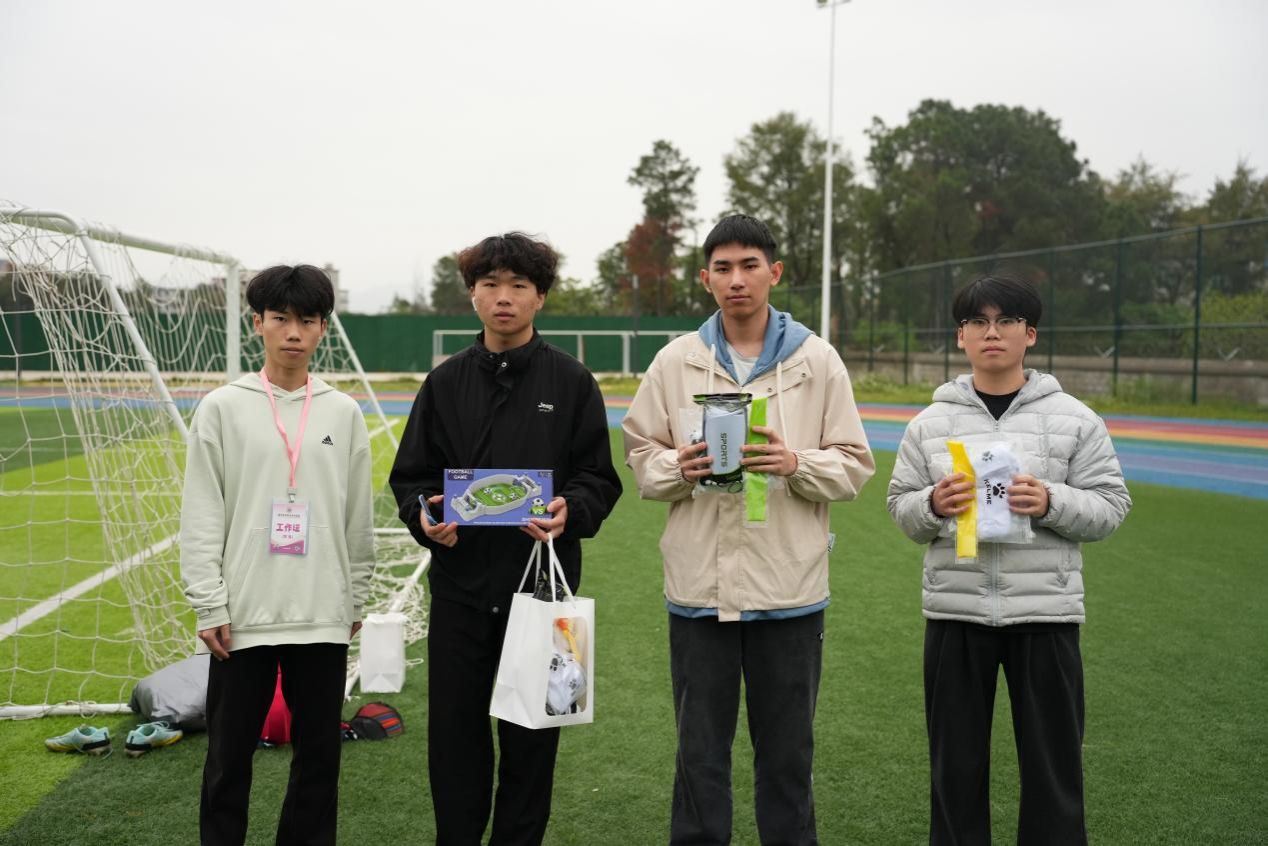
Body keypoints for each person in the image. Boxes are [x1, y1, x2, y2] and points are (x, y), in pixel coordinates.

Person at [622, 214, 875, 845]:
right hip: (698, 592)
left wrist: (796, 463)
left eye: (749, 266)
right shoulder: (675, 360)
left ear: (774, 273)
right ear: (705, 279)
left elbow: (853, 465)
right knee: (699, 755)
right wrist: (677, 467)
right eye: (724, 268)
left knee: (787, 758)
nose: (737, 279)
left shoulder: (818, 360)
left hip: (788, 591)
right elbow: (640, 454)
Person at [389, 232, 622, 845]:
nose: (503, 297)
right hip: (460, 593)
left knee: (533, 740)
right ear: (472, 294)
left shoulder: (572, 382)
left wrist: (573, 509)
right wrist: (424, 517)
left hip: (546, 596)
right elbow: (411, 479)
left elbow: (599, 477)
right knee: (455, 742)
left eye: (519, 285)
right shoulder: (443, 384)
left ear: (539, 297)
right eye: (490, 283)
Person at [886, 271, 1132, 845]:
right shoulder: (929, 425)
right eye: (977, 321)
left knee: (1053, 772)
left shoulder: (1075, 419)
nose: (991, 332)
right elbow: (900, 508)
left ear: (1031, 334)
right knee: (954, 772)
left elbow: (1111, 505)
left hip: (1045, 616)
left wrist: (1050, 501)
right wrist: (932, 504)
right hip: (955, 615)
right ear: (960, 337)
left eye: (1006, 321)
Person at [180, 264, 376, 846]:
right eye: (281, 318)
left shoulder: (342, 412)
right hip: (243, 616)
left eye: (308, 320)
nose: (294, 332)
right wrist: (209, 602)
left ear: (323, 329)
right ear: (257, 323)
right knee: (227, 759)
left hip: (322, 612)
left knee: (319, 760)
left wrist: (355, 597)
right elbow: (201, 511)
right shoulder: (221, 407)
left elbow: (357, 515)